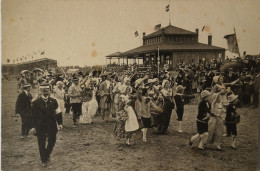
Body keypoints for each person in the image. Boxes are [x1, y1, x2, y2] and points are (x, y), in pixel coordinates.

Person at [30, 83, 60, 167]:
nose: (45, 92)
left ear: (49, 91)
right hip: (40, 126)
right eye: (43, 91)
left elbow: (58, 112)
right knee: (41, 143)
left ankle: (47, 154)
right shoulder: (36, 102)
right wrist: (33, 127)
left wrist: (60, 123)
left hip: (52, 125)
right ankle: (44, 160)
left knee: (52, 141)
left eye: (47, 90)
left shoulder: (54, 101)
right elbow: (32, 116)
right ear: (40, 91)